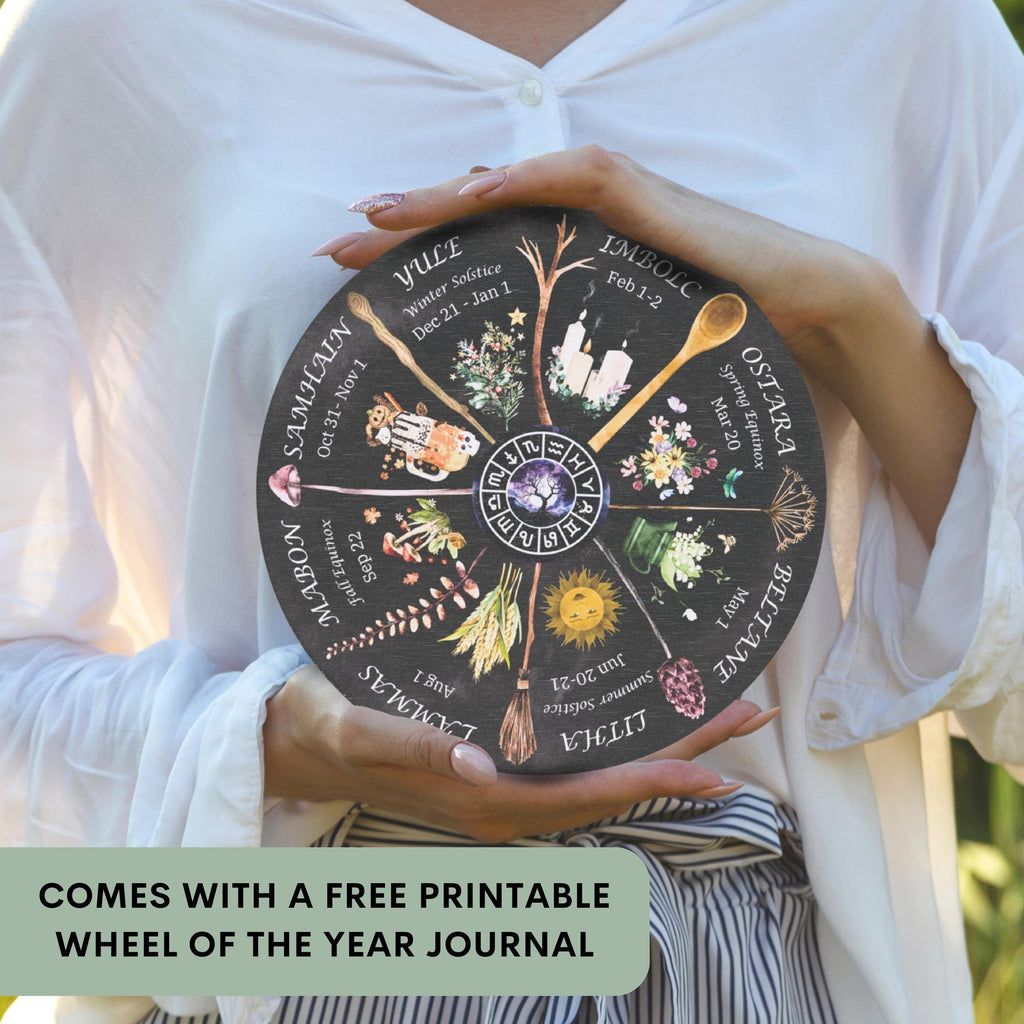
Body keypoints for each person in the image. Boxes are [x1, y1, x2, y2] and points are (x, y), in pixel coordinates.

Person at [1, 0, 1023, 1021]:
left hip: (762, 972)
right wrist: (266, 744)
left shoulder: (903, 28)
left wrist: (862, 326)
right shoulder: (117, 39)